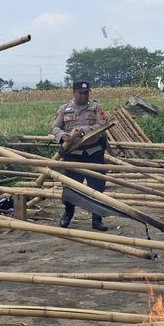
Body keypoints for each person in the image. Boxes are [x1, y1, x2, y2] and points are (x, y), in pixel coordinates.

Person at [52, 80, 109, 230]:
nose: (84, 96)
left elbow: (102, 126)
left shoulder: (96, 107)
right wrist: (63, 135)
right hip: (73, 154)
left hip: (93, 152)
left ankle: (97, 219)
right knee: (71, 186)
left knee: (97, 187)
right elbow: (55, 127)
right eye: (81, 93)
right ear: (74, 93)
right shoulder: (65, 109)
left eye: (86, 93)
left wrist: (84, 130)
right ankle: (67, 215)